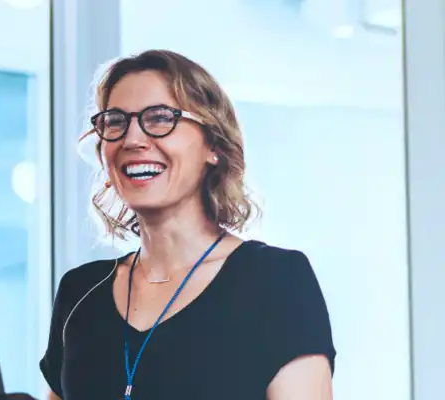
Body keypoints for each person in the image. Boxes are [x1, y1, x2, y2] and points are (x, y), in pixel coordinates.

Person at [39, 50, 336, 400]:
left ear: (213, 145)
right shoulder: (80, 292)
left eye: (161, 118)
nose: (132, 139)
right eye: (115, 121)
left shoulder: (277, 279)